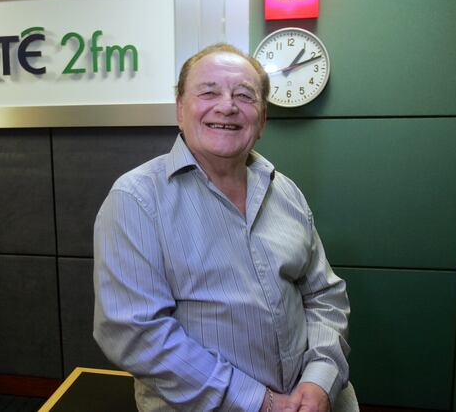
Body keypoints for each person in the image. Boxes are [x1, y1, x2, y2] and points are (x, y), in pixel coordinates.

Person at [93, 43, 358, 412]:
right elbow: (136, 333)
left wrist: (320, 380)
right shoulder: (136, 199)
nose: (227, 106)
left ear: (262, 120)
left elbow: (323, 296)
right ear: (180, 111)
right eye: (209, 92)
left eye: (244, 96)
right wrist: (260, 402)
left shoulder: (286, 192)